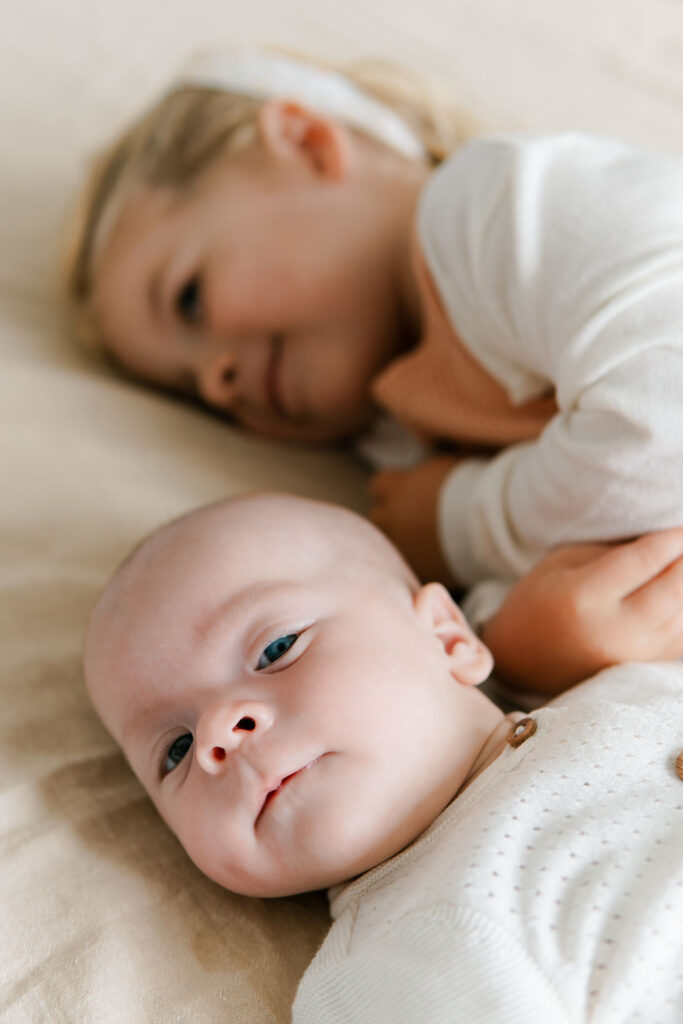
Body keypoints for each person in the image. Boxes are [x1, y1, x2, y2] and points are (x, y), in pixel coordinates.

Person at [66, 47, 683, 691]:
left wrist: (461, 521)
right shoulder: (400, 445)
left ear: (305, 144)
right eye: (191, 391)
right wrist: (522, 641)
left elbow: (666, 420)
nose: (217, 383)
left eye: (189, 299)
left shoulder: (493, 207)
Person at [83, 493, 683, 1022]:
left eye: (277, 648)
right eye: (177, 751)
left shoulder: (630, 677)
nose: (218, 733)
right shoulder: (403, 962)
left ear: (448, 636)